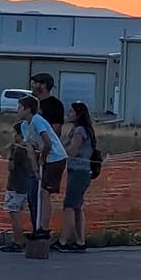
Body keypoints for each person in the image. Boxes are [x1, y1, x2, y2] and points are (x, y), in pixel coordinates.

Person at [17, 93, 66, 241]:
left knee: (44, 193)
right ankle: (37, 227)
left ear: (28, 109)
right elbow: (30, 148)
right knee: (38, 193)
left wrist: (43, 157)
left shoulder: (37, 120)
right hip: (43, 159)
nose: (17, 111)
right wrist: (35, 169)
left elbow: (47, 142)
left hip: (55, 157)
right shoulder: (24, 126)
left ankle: (44, 228)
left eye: (20, 108)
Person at [55, 101, 98, 252]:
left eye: (71, 112)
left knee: (69, 206)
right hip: (81, 171)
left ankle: (63, 241)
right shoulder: (80, 129)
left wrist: (60, 151)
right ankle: (80, 241)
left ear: (78, 114)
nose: (68, 114)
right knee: (77, 207)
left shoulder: (79, 131)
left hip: (79, 171)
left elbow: (73, 151)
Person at [0, 123, 37, 252]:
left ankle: (17, 240)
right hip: (25, 184)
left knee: (13, 213)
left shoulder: (19, 149)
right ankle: (21, 239)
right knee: (18, 212)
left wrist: (10, 152)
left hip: (16, 185)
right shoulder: (30, 147)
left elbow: (11, 166)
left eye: (15, 133)